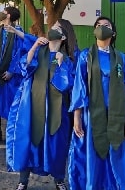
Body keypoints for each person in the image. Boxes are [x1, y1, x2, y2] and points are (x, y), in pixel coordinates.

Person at [67, 16, 125, 190]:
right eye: (99, 25)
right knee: (93, 154)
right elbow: (79, 87)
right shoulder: (85, 56)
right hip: (91, 115)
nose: (102, 27)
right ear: (94, 30)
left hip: (116, 115)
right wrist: (77, 117)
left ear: (113, 32)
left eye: (106, 25)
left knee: (116, 153)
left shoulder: (121, 58)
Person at [6, 21, 75, 190]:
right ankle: (23, 181)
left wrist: (61, 63)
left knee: (56, 142)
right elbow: (24, 67)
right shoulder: (39, 51)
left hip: (56, 109)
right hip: (31, 105)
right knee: (28, 140)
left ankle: (59, 179)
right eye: (52, 27)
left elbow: (67, 84)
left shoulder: (67, 57)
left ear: (64, 36)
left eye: (57, 28)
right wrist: (35, 45)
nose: (52, 30)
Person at [0, 6, 36, 143]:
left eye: (4, 12)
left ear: (9, 15)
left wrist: (12, 70)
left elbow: (21, 54)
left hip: (12, 77)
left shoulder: (19, 33)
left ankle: (13, 135)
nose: (1, 14)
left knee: (12, 105)